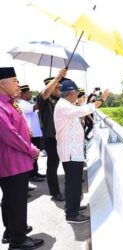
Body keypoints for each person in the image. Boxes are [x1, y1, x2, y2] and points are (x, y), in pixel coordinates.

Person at [0, 67, 44, 249]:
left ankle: (12, 231)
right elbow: (10, 135)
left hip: (16, 161)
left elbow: (17, 129)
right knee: (17, 201)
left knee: (11, 200)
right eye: (15, 81)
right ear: (2, 84)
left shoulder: (10, 103)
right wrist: (32, 149)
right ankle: (19, 240)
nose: (18, 84)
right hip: (12, 162)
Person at [54, 79, 109, 223]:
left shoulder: (66, 105)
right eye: (77, 93)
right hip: (70, 152)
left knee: (73, 182)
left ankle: (73, 207)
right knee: (73, 183)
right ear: (71, 93)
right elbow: (85, 109)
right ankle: (72, 214)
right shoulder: (64, 106)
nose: (78, 96)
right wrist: (101, 99)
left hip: (72, 151)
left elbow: (80, 112)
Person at [36, 69, 67, 202]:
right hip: (51, 138)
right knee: (53, 166)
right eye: (57, 86)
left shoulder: (61, 100)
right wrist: (58, 77)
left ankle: (71, 190)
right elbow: (45, 93)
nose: (59, 88)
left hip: (63, 137)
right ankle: (55, 193)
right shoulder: (44, 100)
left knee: (66, 163)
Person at [18, 85, 46, 182]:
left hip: (35, 134)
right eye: (29, 92)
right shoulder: (22, 103)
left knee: (36, 155)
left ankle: (35, 172)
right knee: (32, 156)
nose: (30, 94)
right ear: (24, 94)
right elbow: (36, 106)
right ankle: (32, 175)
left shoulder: (27, 102)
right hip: (30, 134)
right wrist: (43, 95)